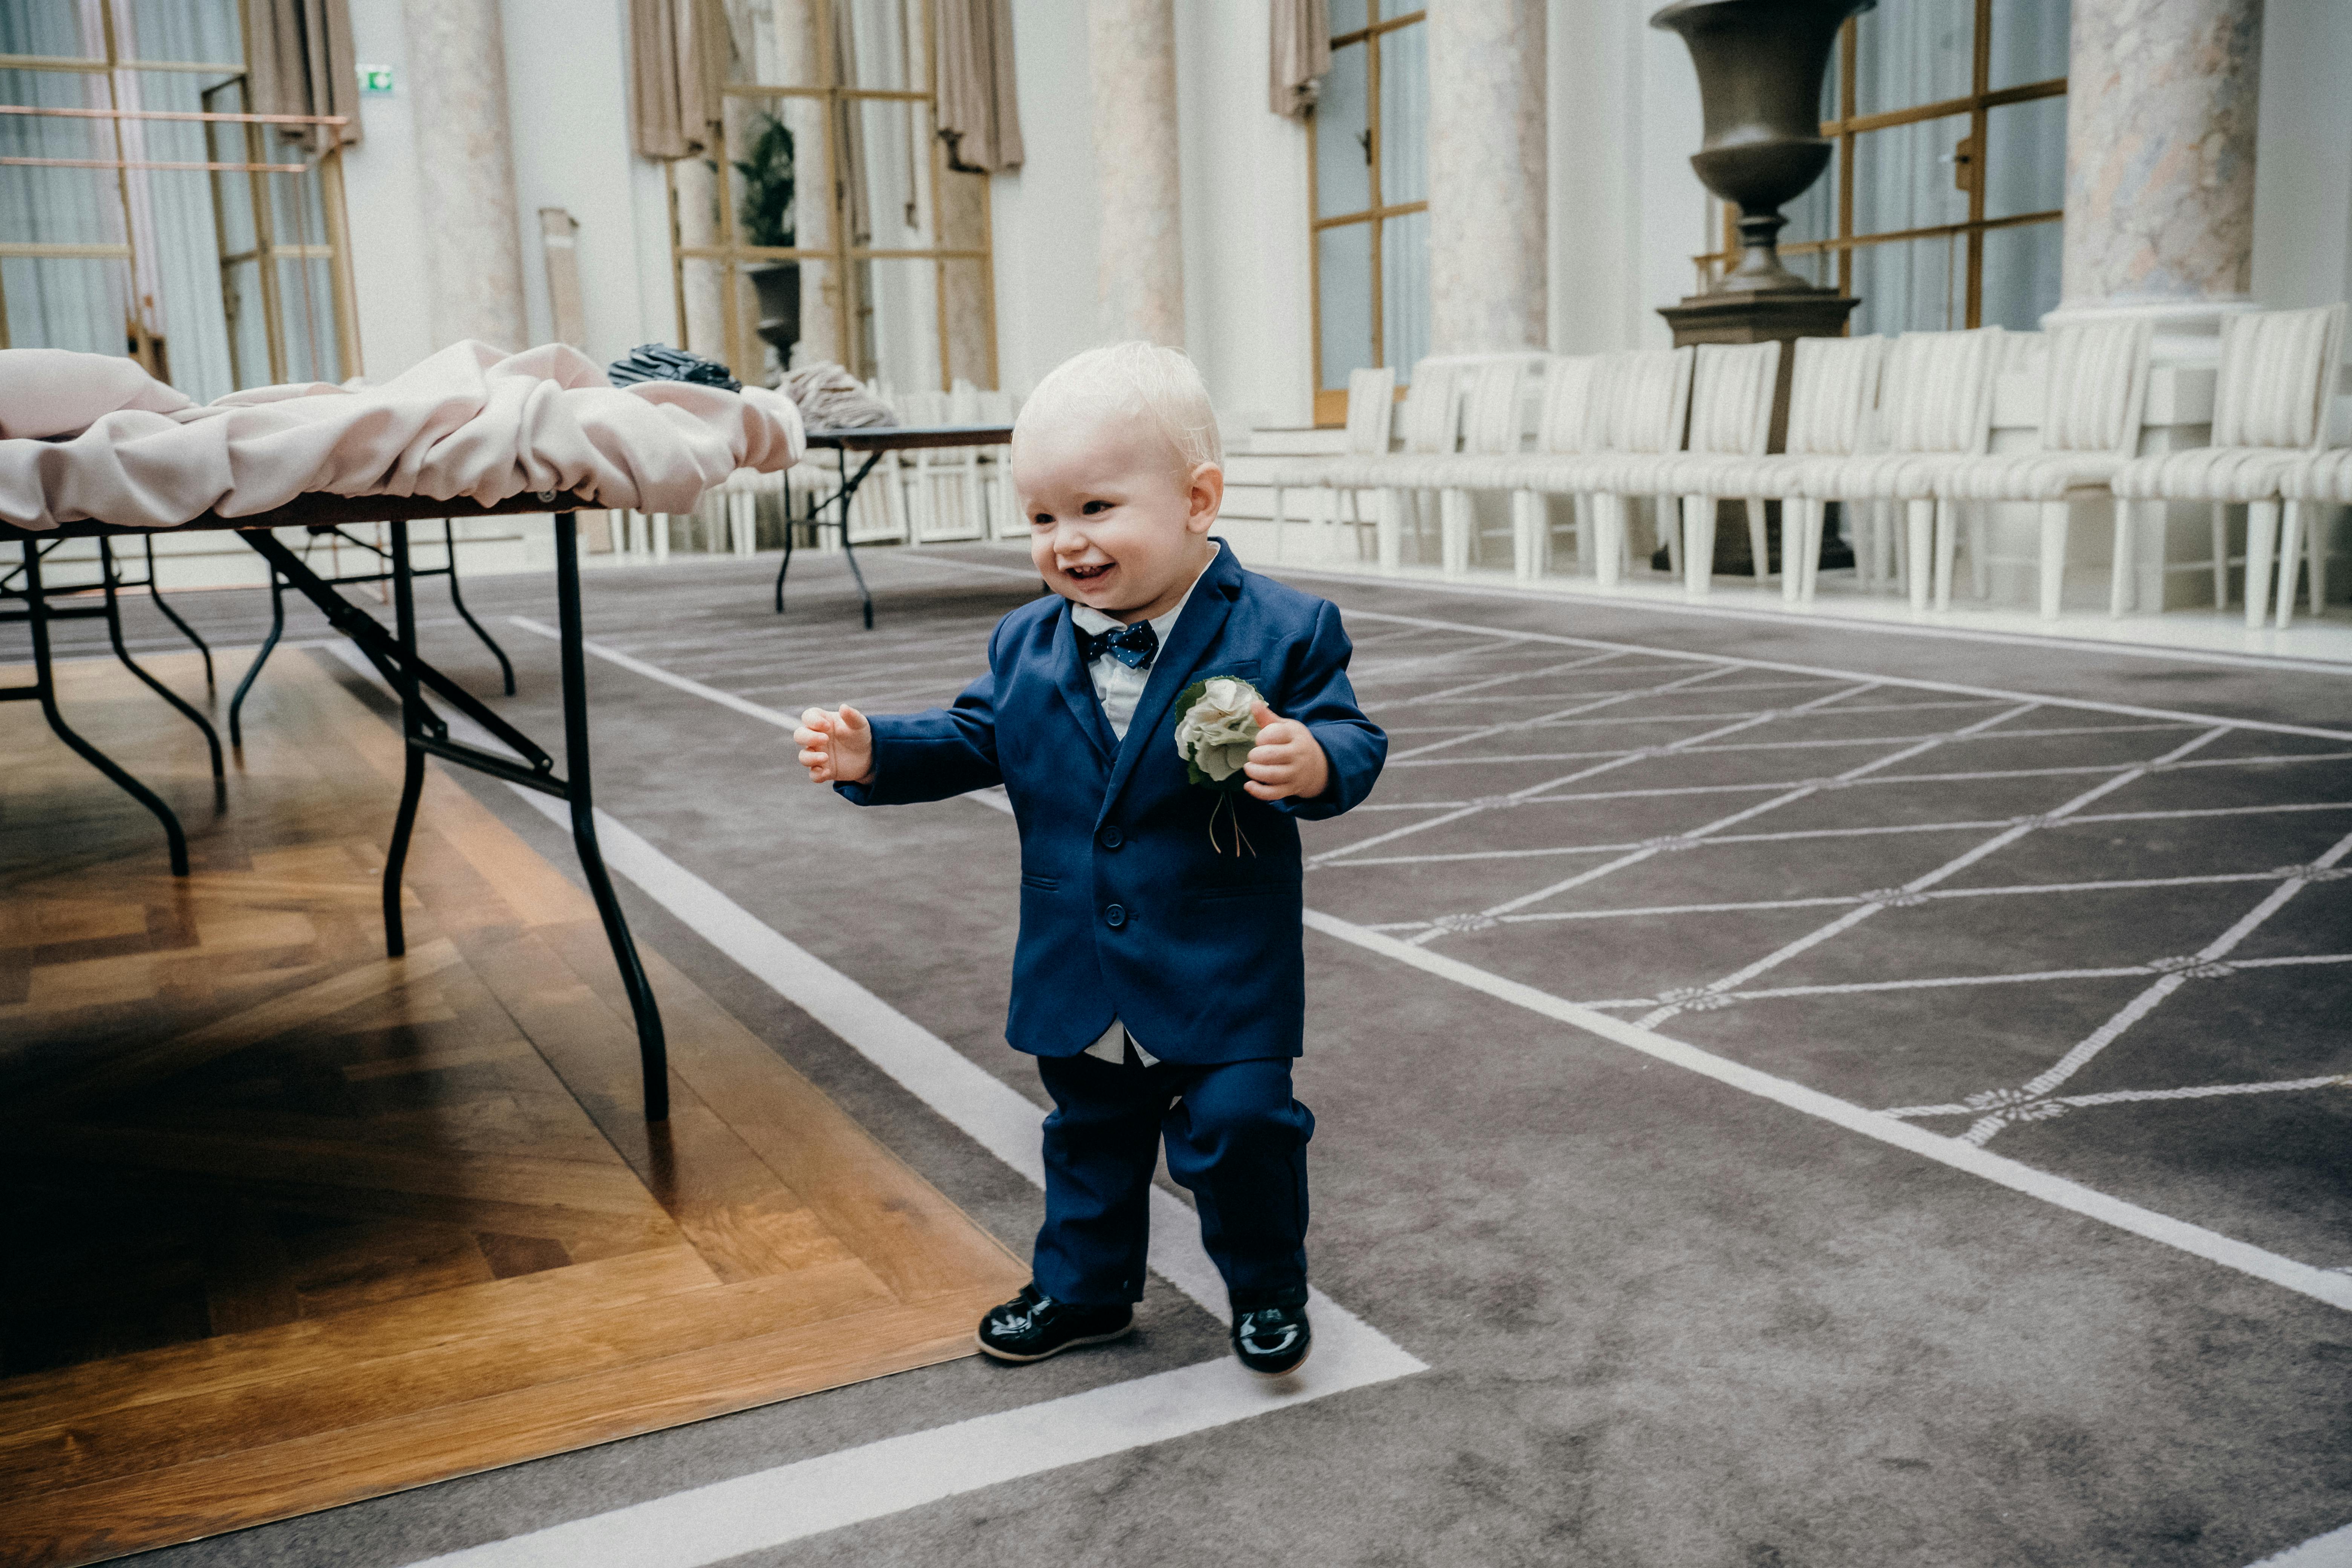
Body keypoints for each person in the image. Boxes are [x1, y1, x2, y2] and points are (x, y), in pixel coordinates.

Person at [793, 342, 1386, 1376]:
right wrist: (876, 750)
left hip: (1220, 965)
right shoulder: (1028, 641)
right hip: (1079, 957)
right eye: (1041, 518)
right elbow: (979, 735)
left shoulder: (1288, 628)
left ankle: (1267, 1289)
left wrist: (1310, 756)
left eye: (1098, 508)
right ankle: (1085, 1288)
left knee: (1244, 1132)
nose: (1067, 543)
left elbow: (1355, 738)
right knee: (1089, 1139)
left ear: (1199, 499)